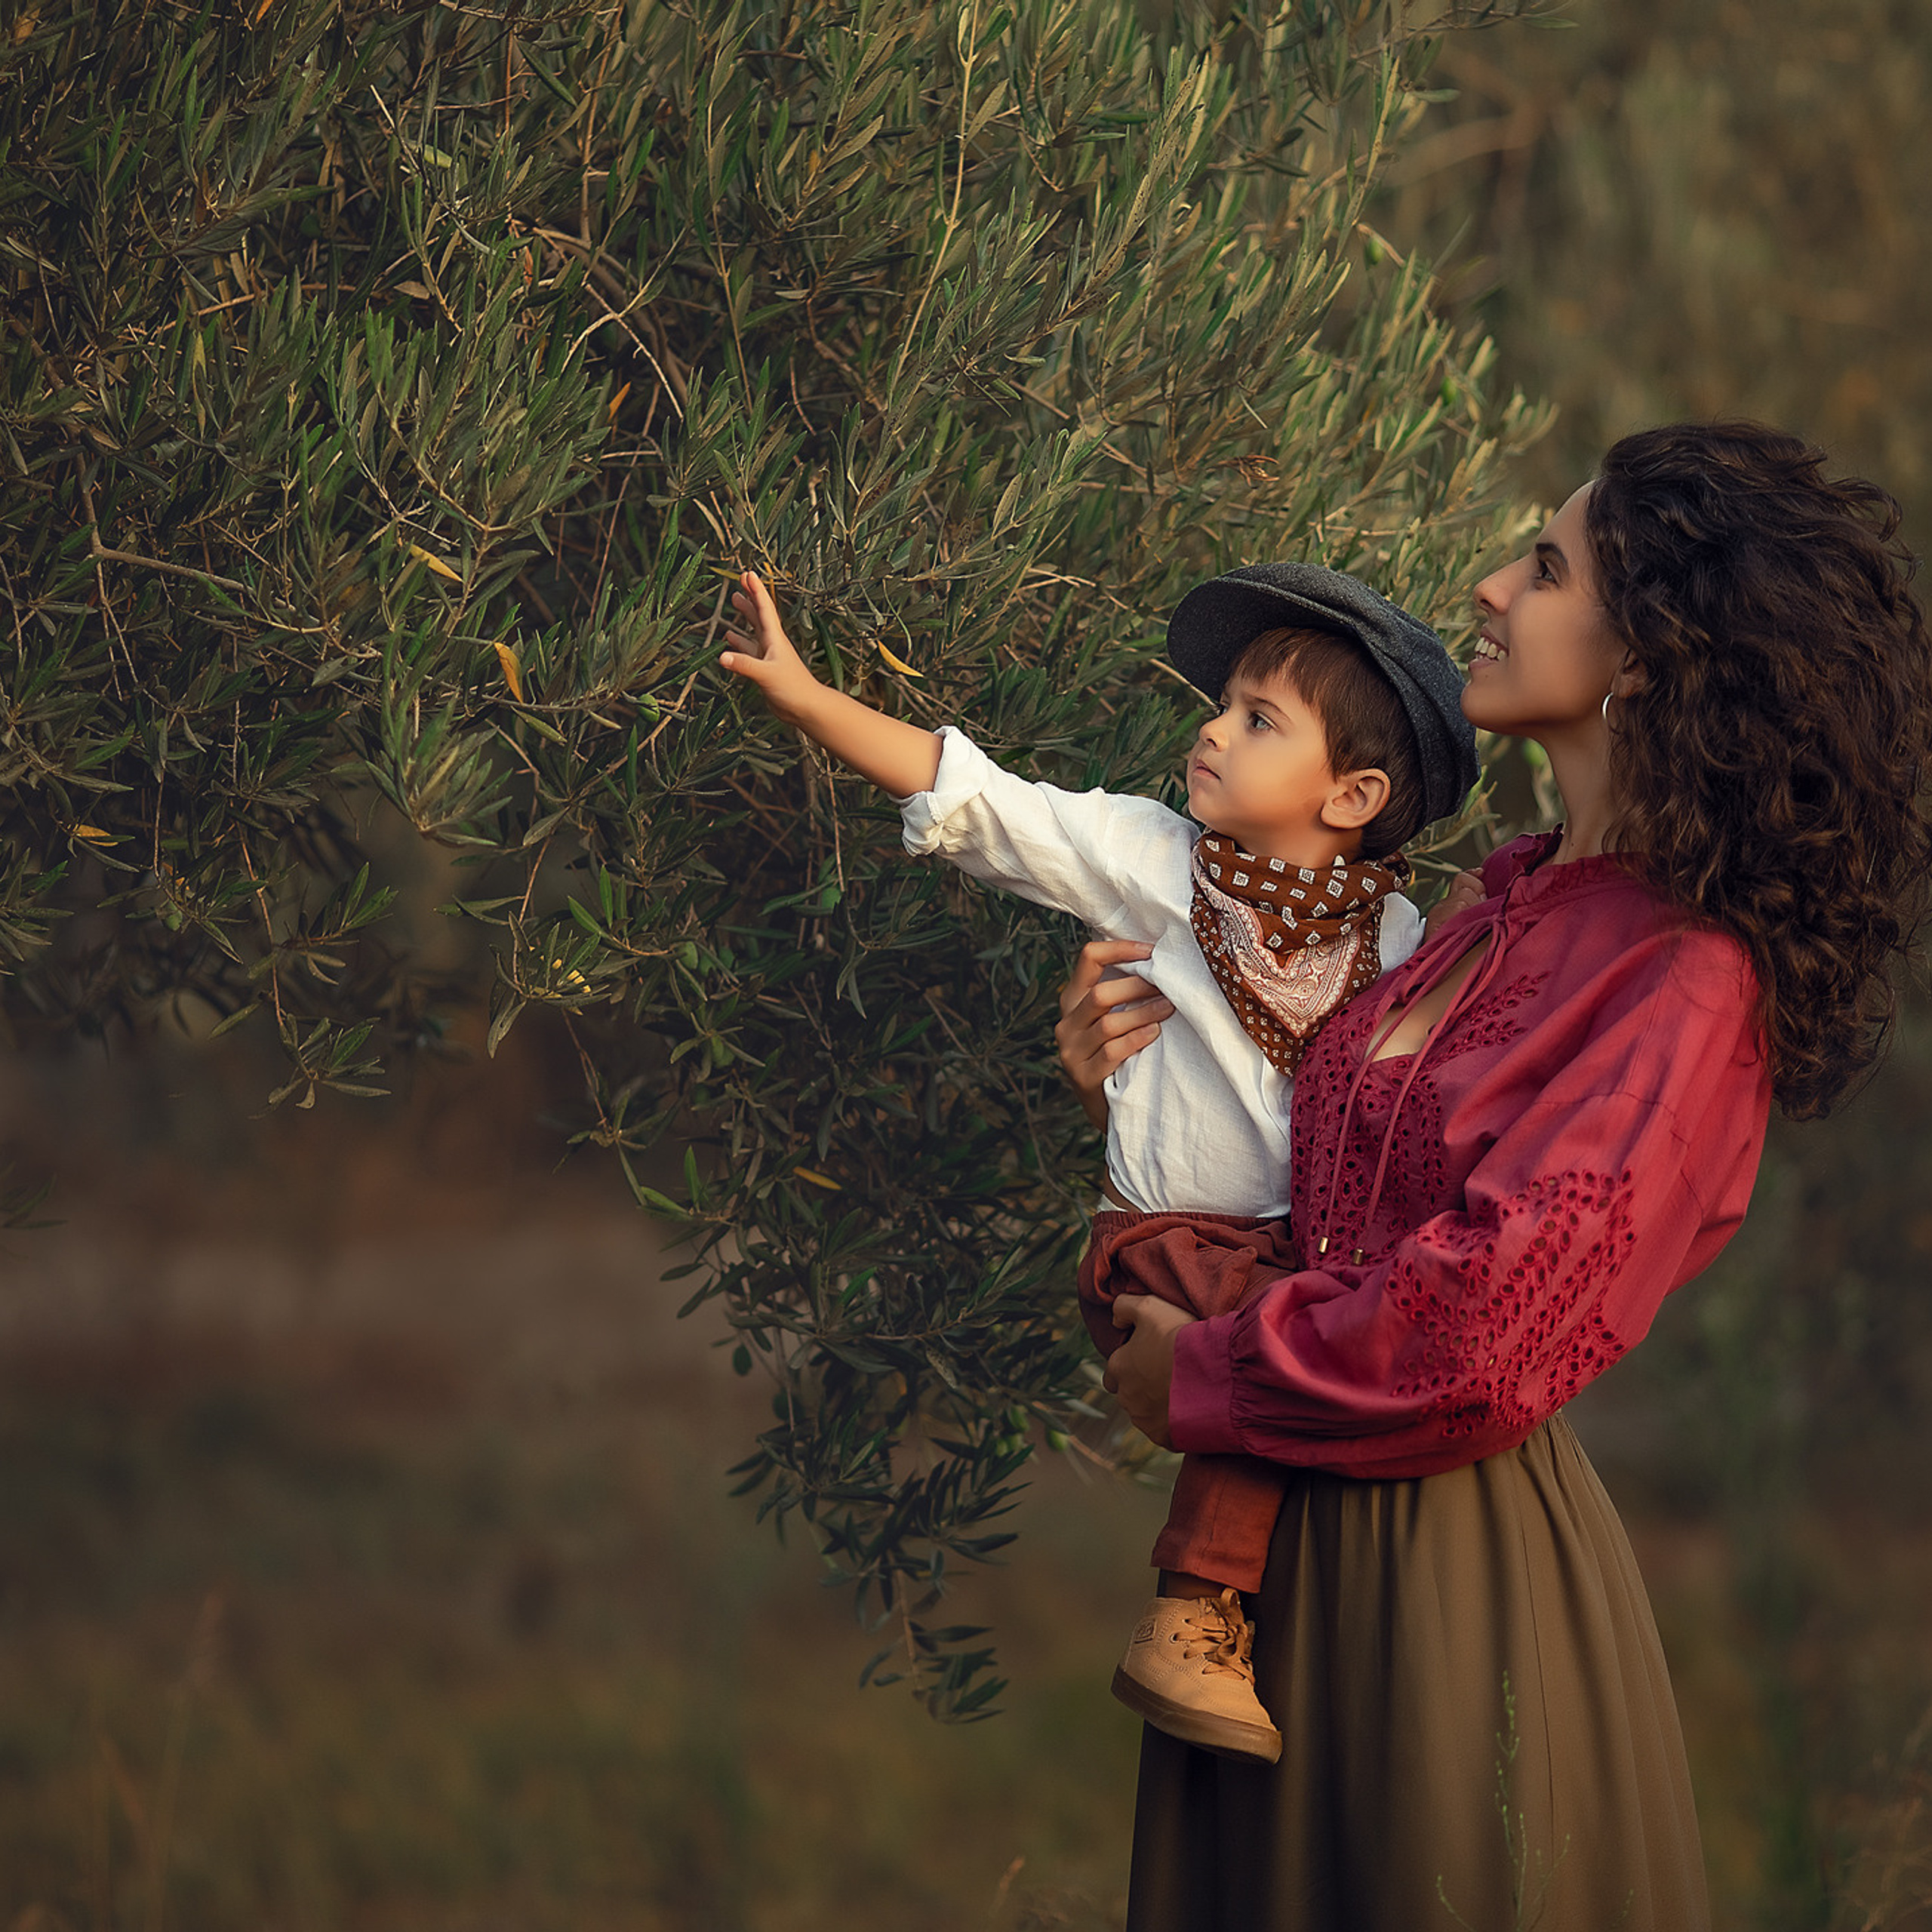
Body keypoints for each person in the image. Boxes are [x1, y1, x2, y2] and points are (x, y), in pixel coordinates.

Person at [1054, 420, 1932, 1930]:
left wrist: (1205, 1375)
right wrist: (1132, 1072)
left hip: (1440, 1591)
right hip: (1277, 1560)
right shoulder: (1494, 907)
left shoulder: (1682, 980)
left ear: (1645, 656)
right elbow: (1314, 1193)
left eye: (1539, 565)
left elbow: (1480, 1330)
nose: (1482, 588)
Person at [717, 561, 1479, 1762]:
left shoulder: (1390, 935)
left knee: (1329, 1331)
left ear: (1354, 795)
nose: (1212, 728)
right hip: (1167, 1249)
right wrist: (809, 700)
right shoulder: (1154, 859)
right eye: (1224, 703)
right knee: (1261, 1342)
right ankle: (1189, 1616)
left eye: (1258, 718)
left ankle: (1304, 1644)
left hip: (1288, 1242)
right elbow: (983, 799)